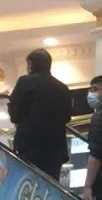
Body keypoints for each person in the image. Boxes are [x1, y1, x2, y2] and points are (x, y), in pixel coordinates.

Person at [7, 49, 72, 182]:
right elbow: (67, 117)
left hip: (29, 146)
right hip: (54, 149)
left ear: (31, 64)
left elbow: (15, 115)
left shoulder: (25, 81)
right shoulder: (62, 88)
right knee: (50, 185)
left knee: (27, 184)